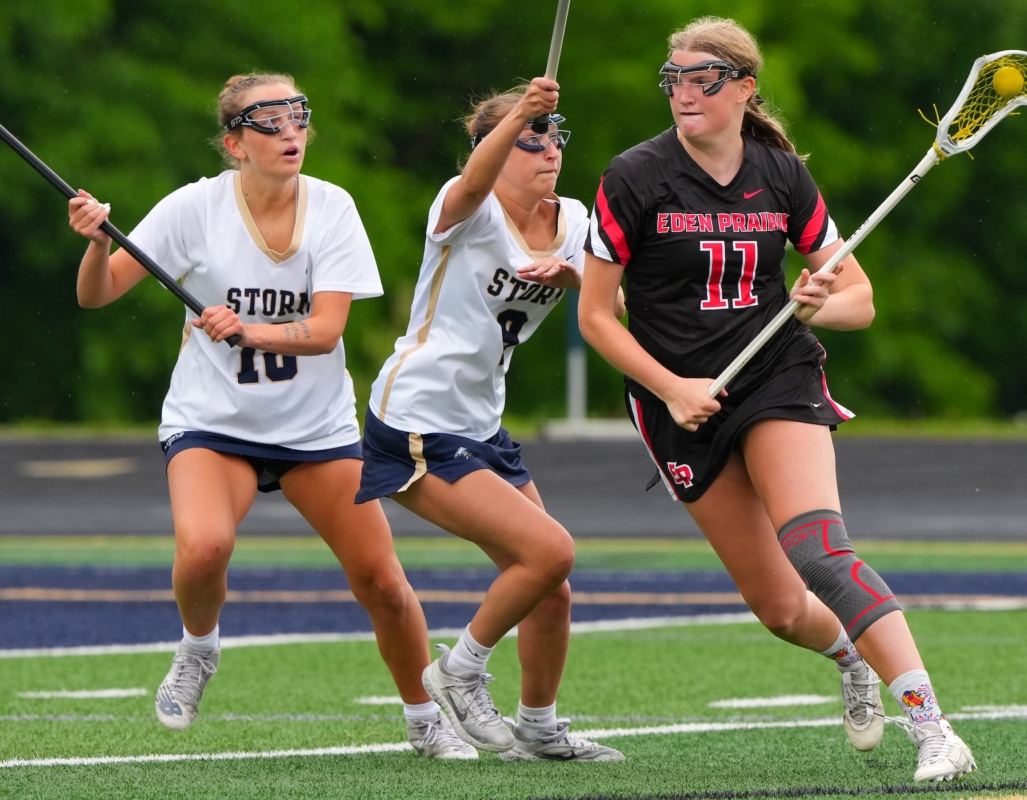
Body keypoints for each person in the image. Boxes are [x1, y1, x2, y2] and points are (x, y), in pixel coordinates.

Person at [578, 17, 976, 784]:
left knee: (819, 553)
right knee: (783, 610)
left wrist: (813, 301)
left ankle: (933, 728)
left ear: (744, 88)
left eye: (704, 79)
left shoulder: (781, 173)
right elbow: (597, 315)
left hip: (776, 377)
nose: (684, 93)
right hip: (677, 402)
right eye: (674, 79)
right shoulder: (632, 177)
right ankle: (850, 654)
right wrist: (672, 387)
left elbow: (860, 301)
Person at [66, 73, 474, 759]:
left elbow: (325, 329)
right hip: (213, 421)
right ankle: (199, 648)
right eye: (270, 121)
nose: (290, 133)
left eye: (298, 117)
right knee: (204, 549)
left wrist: (248, 330)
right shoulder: (193, 209)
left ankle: (423, 717)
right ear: (235, 142)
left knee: (384, 584)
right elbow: (97, 294)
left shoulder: (334, 208)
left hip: (315, 430)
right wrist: (99, 241)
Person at [354, 78, 625, 762]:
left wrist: (575, 284)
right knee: (551, 550)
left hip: (480, 422)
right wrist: (519, 116)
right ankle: (459, 671)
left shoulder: (574, 221)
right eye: (530, 138)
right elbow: (471, 182)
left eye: (553, 135)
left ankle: (537, 727)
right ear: (492, 149)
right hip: (416, 415)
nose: (547, 149)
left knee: (552, 589)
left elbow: (620, 311)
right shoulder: (464, 208)